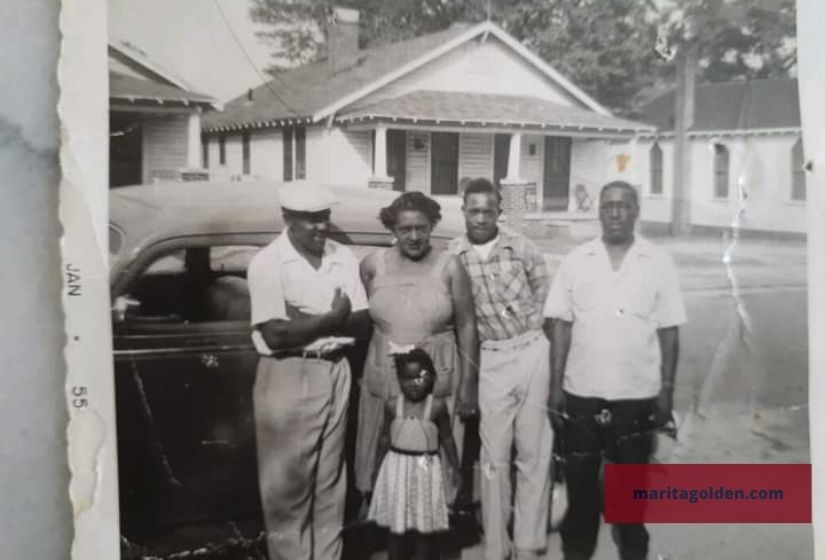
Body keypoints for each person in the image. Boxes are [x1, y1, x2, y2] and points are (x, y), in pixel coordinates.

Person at [543, 181, 686, 560]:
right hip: (582, 392)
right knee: (581, 497)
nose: (615, 213)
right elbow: (560, 325)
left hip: (636, 396)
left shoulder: (657, 262)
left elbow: (669, 329)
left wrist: (667, 390)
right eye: (608, 206)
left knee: (630, 503)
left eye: (623, 206)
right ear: (600, 212)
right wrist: (555, 388)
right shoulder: (577, 260)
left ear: (637, 210)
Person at [247, 183, 372, 560]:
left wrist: (306, 319)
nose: (321, 227)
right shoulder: (268, 262)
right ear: (287, 219)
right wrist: (334, 318)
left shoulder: (342, 256)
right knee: (288, 489)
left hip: (336, 369)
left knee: (330, 482)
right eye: (310, 220)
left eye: (324, 218)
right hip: (289, 371)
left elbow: (362, 319)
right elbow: (276, 333)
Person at [448, 178, 553, 560]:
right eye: (472, 210)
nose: (480, 218)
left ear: (498, 212)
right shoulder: (453, 255)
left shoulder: (522, 248)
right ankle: (496, 546)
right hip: (489, 357)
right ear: (463, 211)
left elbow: (547, 299)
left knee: (534, 452)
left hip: (530, 350)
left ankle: (528, 542)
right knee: (494, 459)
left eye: (487, 211)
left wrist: (542, 350)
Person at [356, 192, 479, 504]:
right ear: (393, 230)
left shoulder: (450, 266)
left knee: (433, 449)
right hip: (385, 370)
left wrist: (468, 385)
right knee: (384, 446)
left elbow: (466, 325)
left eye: (421, 228)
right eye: (405, 229)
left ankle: (432, 526)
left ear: (432, 226)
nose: (414, 236)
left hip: (435, 372)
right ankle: (388, 525)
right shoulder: (373, 265)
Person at [369, 348, 461, 560]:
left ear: (431, 378)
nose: (414, 383)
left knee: (423, 526)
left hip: (425, 470)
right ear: (399, 379)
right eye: (408, 378)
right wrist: (376, 470)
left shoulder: (436, 407)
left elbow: (447, 438)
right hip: (397, 469)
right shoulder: (392, 405)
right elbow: (384, 438)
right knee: (397, 526)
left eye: (421, 377)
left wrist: (456, 470)